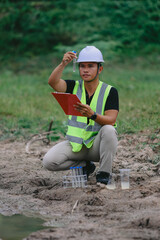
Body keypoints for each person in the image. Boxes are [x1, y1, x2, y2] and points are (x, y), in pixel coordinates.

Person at [43, 46, 119, 185]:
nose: (85, 70)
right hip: (77, 146)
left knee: (109, 130)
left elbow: (111, 119)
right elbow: (52, 82)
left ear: (99, 69)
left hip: (97, 147)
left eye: (90, 66)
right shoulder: (73, 87)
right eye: (82, 66)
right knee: (49, 162)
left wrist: (93, 115)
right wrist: (63, 64)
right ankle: (85, 166)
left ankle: (104, 173)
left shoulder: (110, 91)